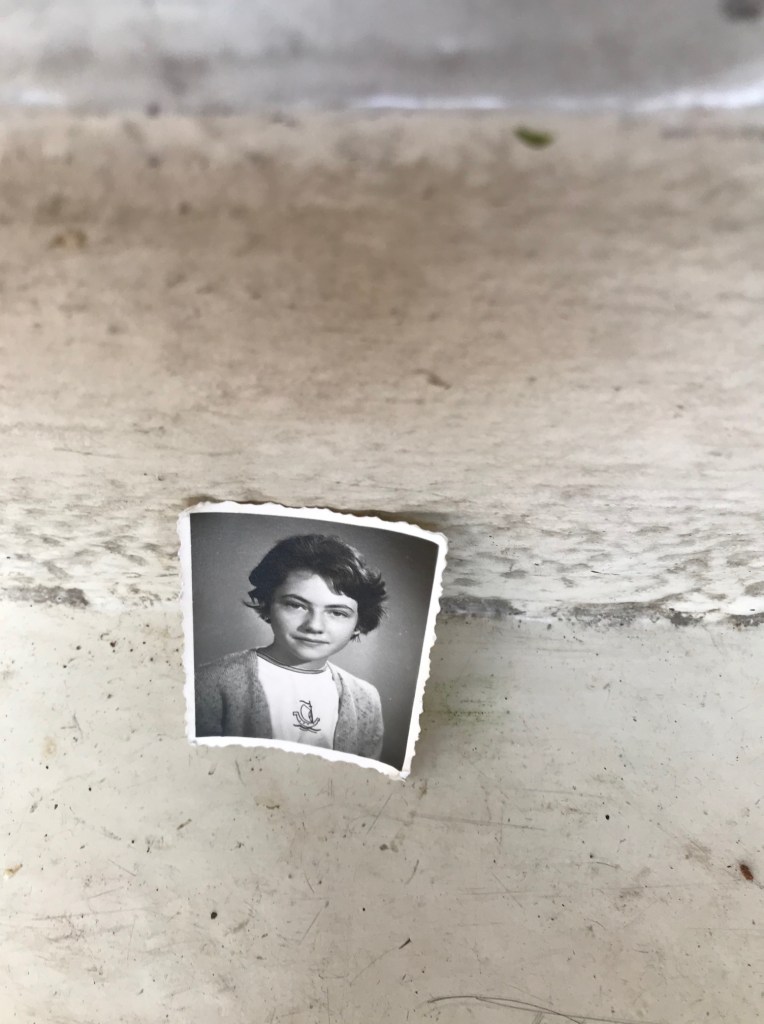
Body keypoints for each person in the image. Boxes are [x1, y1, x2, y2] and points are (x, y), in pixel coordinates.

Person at [195, 533, 387, 760]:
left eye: (337, 613)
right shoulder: (210, 683)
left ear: (358, 623)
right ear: (267, 605)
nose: (314, 626)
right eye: (296, 605)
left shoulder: (365, 698)